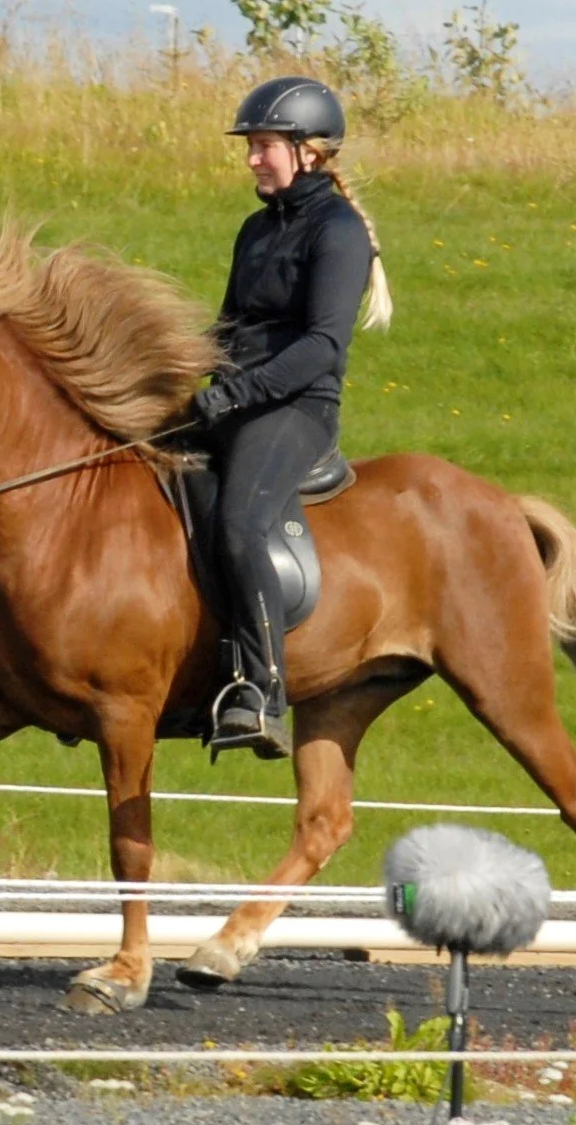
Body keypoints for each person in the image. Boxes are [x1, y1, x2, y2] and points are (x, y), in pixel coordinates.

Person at [189, 76, 392, 759]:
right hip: (238, 397)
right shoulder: (255, 229)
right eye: (250, 146)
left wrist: (238, 394)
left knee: (241, 521)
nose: (252, 158)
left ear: (309, 151)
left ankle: (261, 690)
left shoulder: (338, 233)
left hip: (295, 408)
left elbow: (321, 347)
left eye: (264, 146)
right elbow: (229, 325)